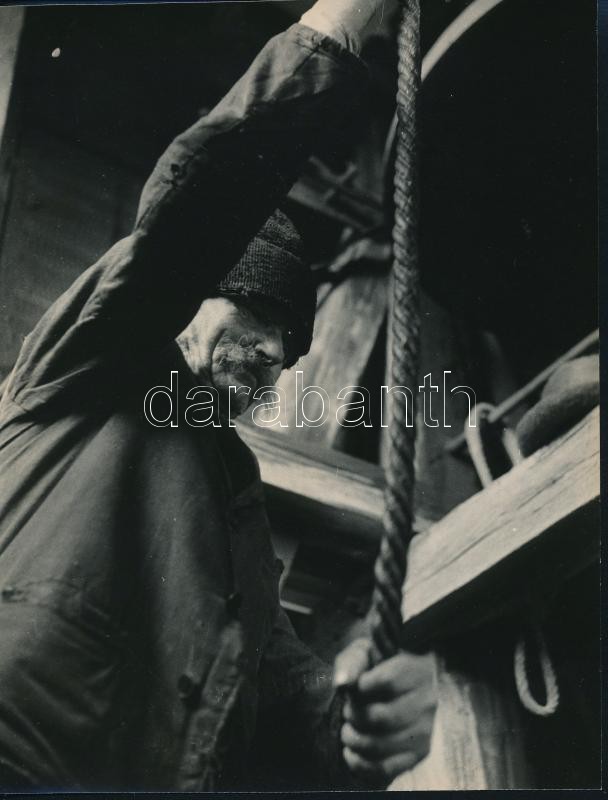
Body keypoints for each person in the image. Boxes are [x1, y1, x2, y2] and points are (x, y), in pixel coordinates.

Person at [0, 0, 437, 790]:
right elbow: (196, 213)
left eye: (288, 346)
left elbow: (282, 694)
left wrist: (365, 719)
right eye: (256, 314)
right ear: (193, 303)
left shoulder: (239, 514)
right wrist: (338, 26)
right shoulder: (96, 363)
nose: (273, 352)